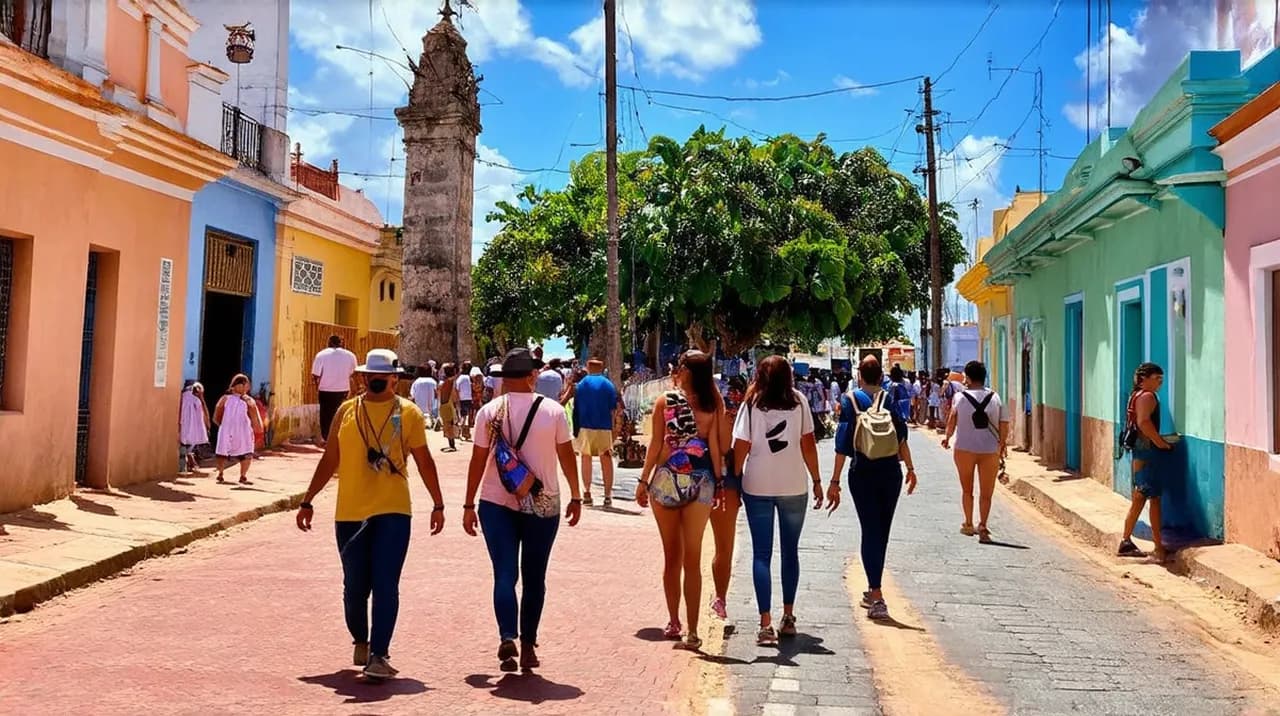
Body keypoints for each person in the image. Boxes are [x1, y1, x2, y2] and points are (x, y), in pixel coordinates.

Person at [295, 349, 446, 680]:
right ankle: (361, 639)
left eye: (383, 376)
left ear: (395, 378)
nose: (376, 381)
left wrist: (438, 503)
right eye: (370, 376)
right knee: (354, 586)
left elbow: (424, 461)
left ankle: (379, 654)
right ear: (362, 377)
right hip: (349, 511)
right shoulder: (346, 412)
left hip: (393, 510)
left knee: (386, 582)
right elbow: (329, 459)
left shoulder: (408, 413)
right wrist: (308, 500)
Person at [463, 348, 583, 673]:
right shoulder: (554, 412)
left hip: (494, 501)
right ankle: (528, 644)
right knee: (534, 577)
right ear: (532, 376)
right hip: (543, 502)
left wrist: (468, 503)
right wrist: (576, 494)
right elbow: (566, 456)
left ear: (504, 378)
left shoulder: (488, 412)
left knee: (504, 573)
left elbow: (478, 461)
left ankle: (507, 635)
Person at [732, 356, 825, 644]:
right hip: (793, 484)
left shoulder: (752, 403)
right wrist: (818, 480)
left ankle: (764, 623)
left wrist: (733, 480)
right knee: (790, 552)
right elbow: (807, 443)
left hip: (757, 485)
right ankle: (788, 616)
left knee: (761, 554)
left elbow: (741, 447)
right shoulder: (799, 401)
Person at [636, 350, 724, 651]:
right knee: (693, 558)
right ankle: (694, 630)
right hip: (701, 482)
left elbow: (656, 446)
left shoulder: (666, 401)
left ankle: (674, 621)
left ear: (685, 371)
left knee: (671, 555)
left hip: (667, 480)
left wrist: (644, 480)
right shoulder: (714, 404)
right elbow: (715, 448)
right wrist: (720, 483)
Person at [833, 356, 917, 621]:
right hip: (890, 472)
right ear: (880, 377)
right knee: (881, 531)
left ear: (859, 375)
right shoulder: (888, 399)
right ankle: (874, 589)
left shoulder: (850, 401)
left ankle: (876, 593)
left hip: (862, 472)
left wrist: (834, 482)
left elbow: (842, 444)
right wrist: (911, 469)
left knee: (870, 530)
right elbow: (901, 436)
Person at [941, 361, 1011, 543]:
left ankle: (968, 523)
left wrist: (947, 438)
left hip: (964, 448)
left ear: (969, 378)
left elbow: (952, 420)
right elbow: (1004, 424)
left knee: (967, 489)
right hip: (989, 450)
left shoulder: (959, 397)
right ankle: (983, 526)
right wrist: (1002, 445)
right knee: (986, 492)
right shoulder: (996, 398)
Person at [1118, 363, 1175, 562]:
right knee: (1154, 499)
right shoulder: (1148, 397)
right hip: (1148, 452)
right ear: (1145, 378)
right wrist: (1161, 443)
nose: (1160, 382)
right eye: (1157, 378)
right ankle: (1159, 548)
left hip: (1138, 452)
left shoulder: (1135, 396)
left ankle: (1126, 540)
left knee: (1139, 497)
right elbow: (1144, 422)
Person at [709, 375, 747, 620]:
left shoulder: (708, 405)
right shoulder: (747, 407)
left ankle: (715, 600)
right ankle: (720, 598)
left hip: (710, 475)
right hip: (730, 478)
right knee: (725, 545)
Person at [573, 359, 619, 507]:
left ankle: (586, 493)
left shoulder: (581, 385)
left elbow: (576, 407)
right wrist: (614, 429)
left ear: (587, 367)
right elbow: (613, 409)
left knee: (586, 458)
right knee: (606, 458)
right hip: (604, 426)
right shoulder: (608, 385)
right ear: (602, 367)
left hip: (585, 426)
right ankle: (607, 495)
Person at [213, 374, 263, 485]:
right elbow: (217, 416)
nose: (247, 387)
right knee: (225, 452)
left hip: (238, 430)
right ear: (239, 385)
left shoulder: (244, 400)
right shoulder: (227, 399)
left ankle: (240, 475)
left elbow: (216, 417)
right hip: (238, 431)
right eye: (246, 384)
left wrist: (225, 426)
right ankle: (224, 474)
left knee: (242, 453)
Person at [311, 335, 358, 446]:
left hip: (325, 390)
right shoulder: (350, 355)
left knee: (326, 414)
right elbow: (353, 372)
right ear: (341, 343)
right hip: (343, 390)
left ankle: (327, 438)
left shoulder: (321, 355)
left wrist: (317, 386)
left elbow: (315, 374)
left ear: (329, 342)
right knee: (341, 413)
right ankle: (340, 437)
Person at [179, 381, 211, 475]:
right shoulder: (196, 400)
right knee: (187, 446)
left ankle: (183, 467)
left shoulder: (181, 397)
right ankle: (184, 466)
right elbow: (203, 415)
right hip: (192, 428)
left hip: (181, 426)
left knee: (183, 446)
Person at [438, 363, 460, 452]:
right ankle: (452, 444)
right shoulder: (449, 382)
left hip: (444, 405)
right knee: (449, 424)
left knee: (448, 424)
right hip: (447, 406)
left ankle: (451, 443)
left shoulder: (443, 382)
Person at [410, 366, 439, 430]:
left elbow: (412, 395)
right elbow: (436, 394)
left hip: (419, 408)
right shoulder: (433, 381)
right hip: (431, 408)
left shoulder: (417, 382)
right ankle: (431, 422)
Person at [456, 361, 475, 441]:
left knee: (463, 416)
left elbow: (457, 388)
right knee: (466, 416)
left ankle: (460, 432)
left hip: (462, 398)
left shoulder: (460, 378)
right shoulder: (469, 378)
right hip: (469, 398)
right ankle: (464, 433)